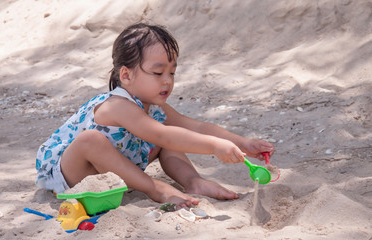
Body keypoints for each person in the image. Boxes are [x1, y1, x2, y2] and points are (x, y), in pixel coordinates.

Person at [35, 23, 274, 208]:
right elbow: (164, 135)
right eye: (158, 72)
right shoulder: (117, 105)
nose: (167, 81)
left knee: (170, 136)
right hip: (75, 174)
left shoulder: (154, 107)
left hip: (117, 171)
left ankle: (192, 181)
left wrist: (241, 142)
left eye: (172, 72)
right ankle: (155, 189)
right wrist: (214, 147)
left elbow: (196, 128)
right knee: (94, 140)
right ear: (126, 76)